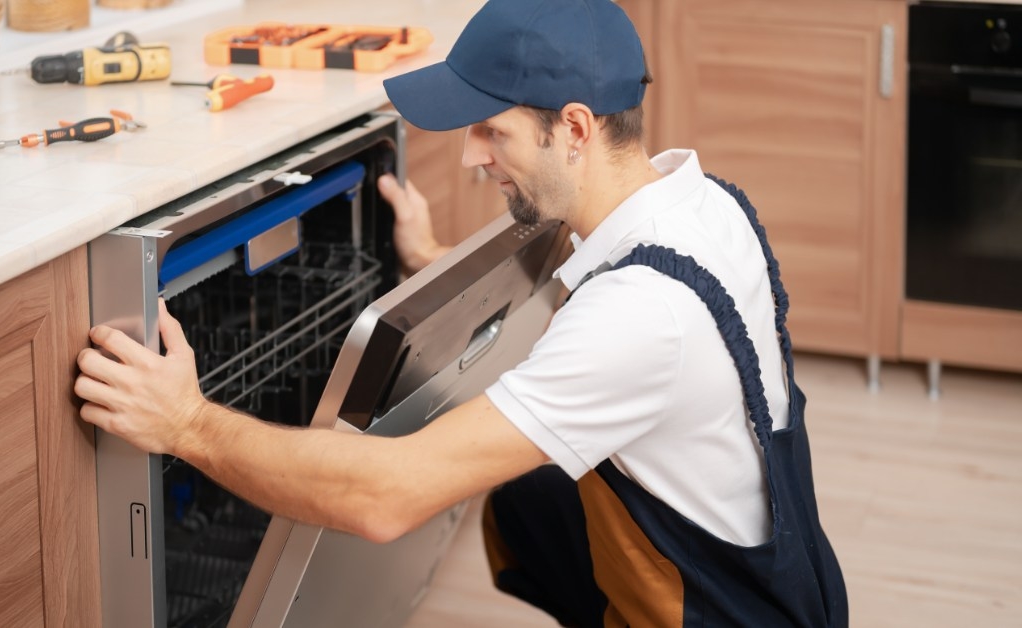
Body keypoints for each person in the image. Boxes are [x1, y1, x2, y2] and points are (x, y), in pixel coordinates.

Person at [75, 0, 848, 625]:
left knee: (525, 485)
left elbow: (385, 497)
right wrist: (432, 260)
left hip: (722, 614)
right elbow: (567, 341)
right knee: (532, 492)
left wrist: (186, 424)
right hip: (785, 587)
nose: (474, 155)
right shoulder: (701, 204)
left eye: (493, 129)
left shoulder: (643, 314)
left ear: (573, 128)